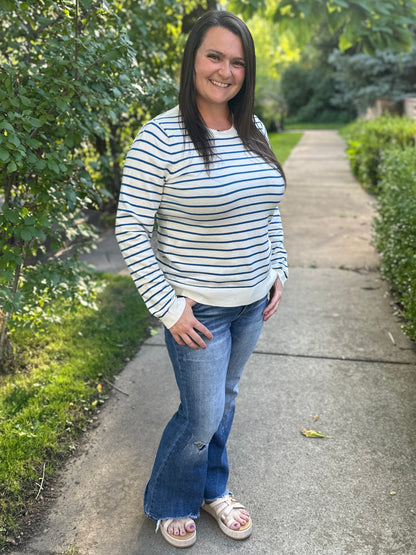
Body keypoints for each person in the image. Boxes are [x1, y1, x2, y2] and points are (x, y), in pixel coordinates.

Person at [115, 10, 287, 548]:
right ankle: (168, 500)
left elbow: (268, 208)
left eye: (237, 61)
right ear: (192, 60)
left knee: (225, 401)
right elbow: (130, 226)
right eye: (214, 56)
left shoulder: (253, 127)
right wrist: (169, 309)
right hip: (198, 311)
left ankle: (212, 490)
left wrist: (278, 266)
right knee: (202, 414)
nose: (225, 70)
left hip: (252, 302)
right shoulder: (161, 136)